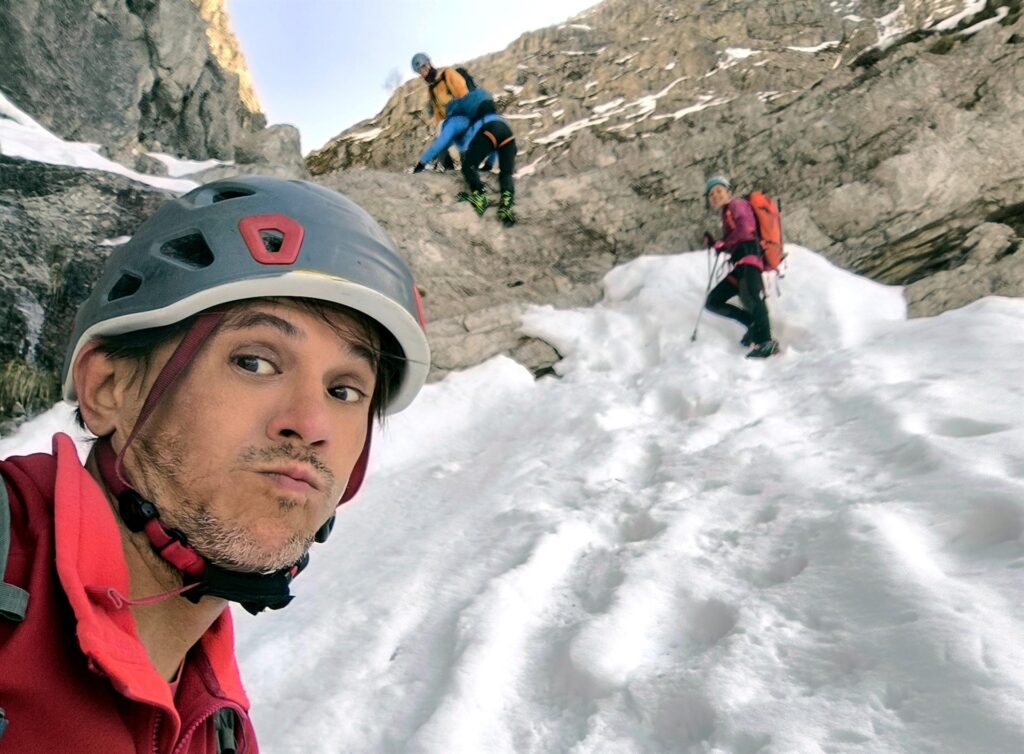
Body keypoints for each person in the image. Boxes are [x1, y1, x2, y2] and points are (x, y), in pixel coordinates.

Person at [0, 176, 431, 752]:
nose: (311, 424)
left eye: (346, 391)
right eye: (254, 361)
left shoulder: (221, 732)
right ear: (108, 388)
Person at [412, 87, 518, 226]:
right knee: (506, 173)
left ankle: (480, 197)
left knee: (468, 167)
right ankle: (506, 207)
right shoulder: (479, 117)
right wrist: (489, 165)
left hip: (489, 130)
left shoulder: (454, 122)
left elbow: (441, 143)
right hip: (507, 133)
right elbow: (495, 145)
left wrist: (422, 163)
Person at [703, 175, 780, 358]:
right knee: (713, 301)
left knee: (753, 297)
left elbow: (746, 230)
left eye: (719, 191)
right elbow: (735, 238)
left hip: (749, 260)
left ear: (729, 192)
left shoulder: (737, 205)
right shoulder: (727, 212)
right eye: (711, 194)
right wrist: (717, 244)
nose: (715, 196)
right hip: (740, 264)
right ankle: (753, 325)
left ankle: (766, 341)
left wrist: (723, 243)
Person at [411, 52, 469, 171]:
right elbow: (438, 115)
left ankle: (469, 169)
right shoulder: (431, 90)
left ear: (429, 64)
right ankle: (450, 173)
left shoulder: (448, 74)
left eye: (424, 68)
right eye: (420, 72)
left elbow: (464, 95)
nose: (423, 73)